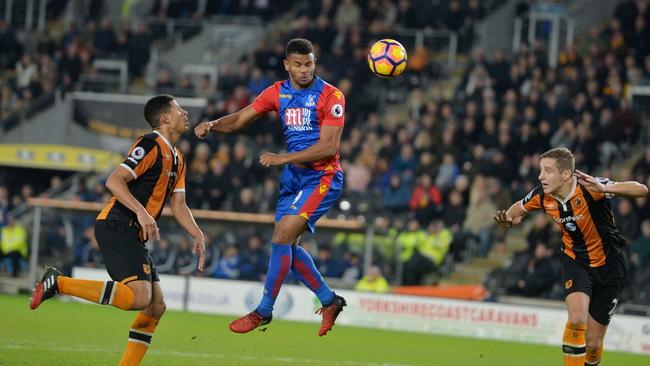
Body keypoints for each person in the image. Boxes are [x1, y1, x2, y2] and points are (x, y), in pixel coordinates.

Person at [30, 94, 206, 366]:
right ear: (164, 118)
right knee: (139, 298)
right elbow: (114, 180)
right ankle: (59, 282)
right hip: (117, 223)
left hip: (133, 230)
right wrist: (141, 211)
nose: (185, 113)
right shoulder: (150, 144)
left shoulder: (178, 157)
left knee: (155, 307)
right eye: (178, 109)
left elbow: (179, 204)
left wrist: (197, 233)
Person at [194, 38, 347, 336]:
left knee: (281, 236)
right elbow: (241, 119)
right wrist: (212, 124)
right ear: (287, 65)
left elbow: (329, 147)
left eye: (310, 64)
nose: (305, 70)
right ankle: (330, 300)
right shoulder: (277, 92)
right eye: (299, 64)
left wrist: (282, 157)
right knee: (286, 246)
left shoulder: (332, 95)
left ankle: (263, 310)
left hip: (322, 177)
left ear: (315, 63)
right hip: (294, 179)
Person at [494, 147, 648, 366]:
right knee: (576, 320)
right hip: (575, 261)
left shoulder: (590, 187)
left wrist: (604, 187)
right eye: (540, 170)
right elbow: (517, 208)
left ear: (566, 174)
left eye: (547, 171)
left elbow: (641, 189)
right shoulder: (542, 195)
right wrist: (508, 219)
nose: (540, 176)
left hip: (610, 266)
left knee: (593, 346)